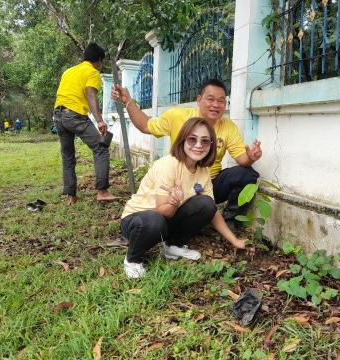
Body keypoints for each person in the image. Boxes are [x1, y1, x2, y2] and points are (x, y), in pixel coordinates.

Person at [112, 79, 262, 230]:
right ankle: (174, 225)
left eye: (221, 101)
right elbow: (145, 125)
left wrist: (251, 157)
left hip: (208, 184)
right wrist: (129, 102)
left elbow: (242, 160)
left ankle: (230, 223)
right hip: (180, 185)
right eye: (210, 99)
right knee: (168, 207)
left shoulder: (228, 126)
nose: (215, 105)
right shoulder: (177, 116)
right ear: (199, 100)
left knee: (246, 174)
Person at [121, 117, 246, 279]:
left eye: (205, 141)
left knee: (206, 204)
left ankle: (173, 245)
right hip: (138, 220)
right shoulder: (169, 165)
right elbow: (162, 212)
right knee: (154, 220)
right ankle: (132, 259)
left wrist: (234, 240)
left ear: (211, 145)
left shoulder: (203, 172)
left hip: (165, 218)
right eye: (192, 139)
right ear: (182, 140)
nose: (198, 145)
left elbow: (212, 211)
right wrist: (174, 202)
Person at [53, 43, 117, 204]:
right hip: (74, 115)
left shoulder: (69, 71)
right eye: (101, 63)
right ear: (99, 60)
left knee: (68, 157)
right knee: (101, 148)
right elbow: (90, 95)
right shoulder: (92, 72)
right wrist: (100, 120)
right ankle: (102, 192)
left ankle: (71, 196)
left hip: (58, 116)